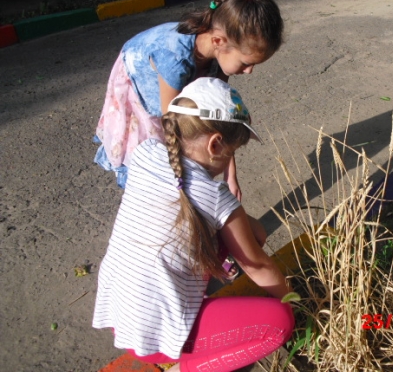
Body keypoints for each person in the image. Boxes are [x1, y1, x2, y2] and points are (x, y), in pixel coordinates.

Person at [92, 78, 295, 372]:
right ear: (215, 144)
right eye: (231, 153)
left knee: (238, 235)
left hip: (120, 314)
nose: (229, 160)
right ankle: (192, 367)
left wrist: (234, 220)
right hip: (158, 337)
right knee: (279, 324)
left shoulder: (145, 153)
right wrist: (292, 301)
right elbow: (258, 266)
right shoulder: (214, 195)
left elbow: (251, 231)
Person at [93, 0, 283, 197]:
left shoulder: (219, 56)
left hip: (174, 84)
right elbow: (173, 127)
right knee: (155, 154)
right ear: (219, 42)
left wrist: (230, 176)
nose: (249, 71)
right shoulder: (175, 60)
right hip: (141, 85)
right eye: (246, 63)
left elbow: (223, 118)